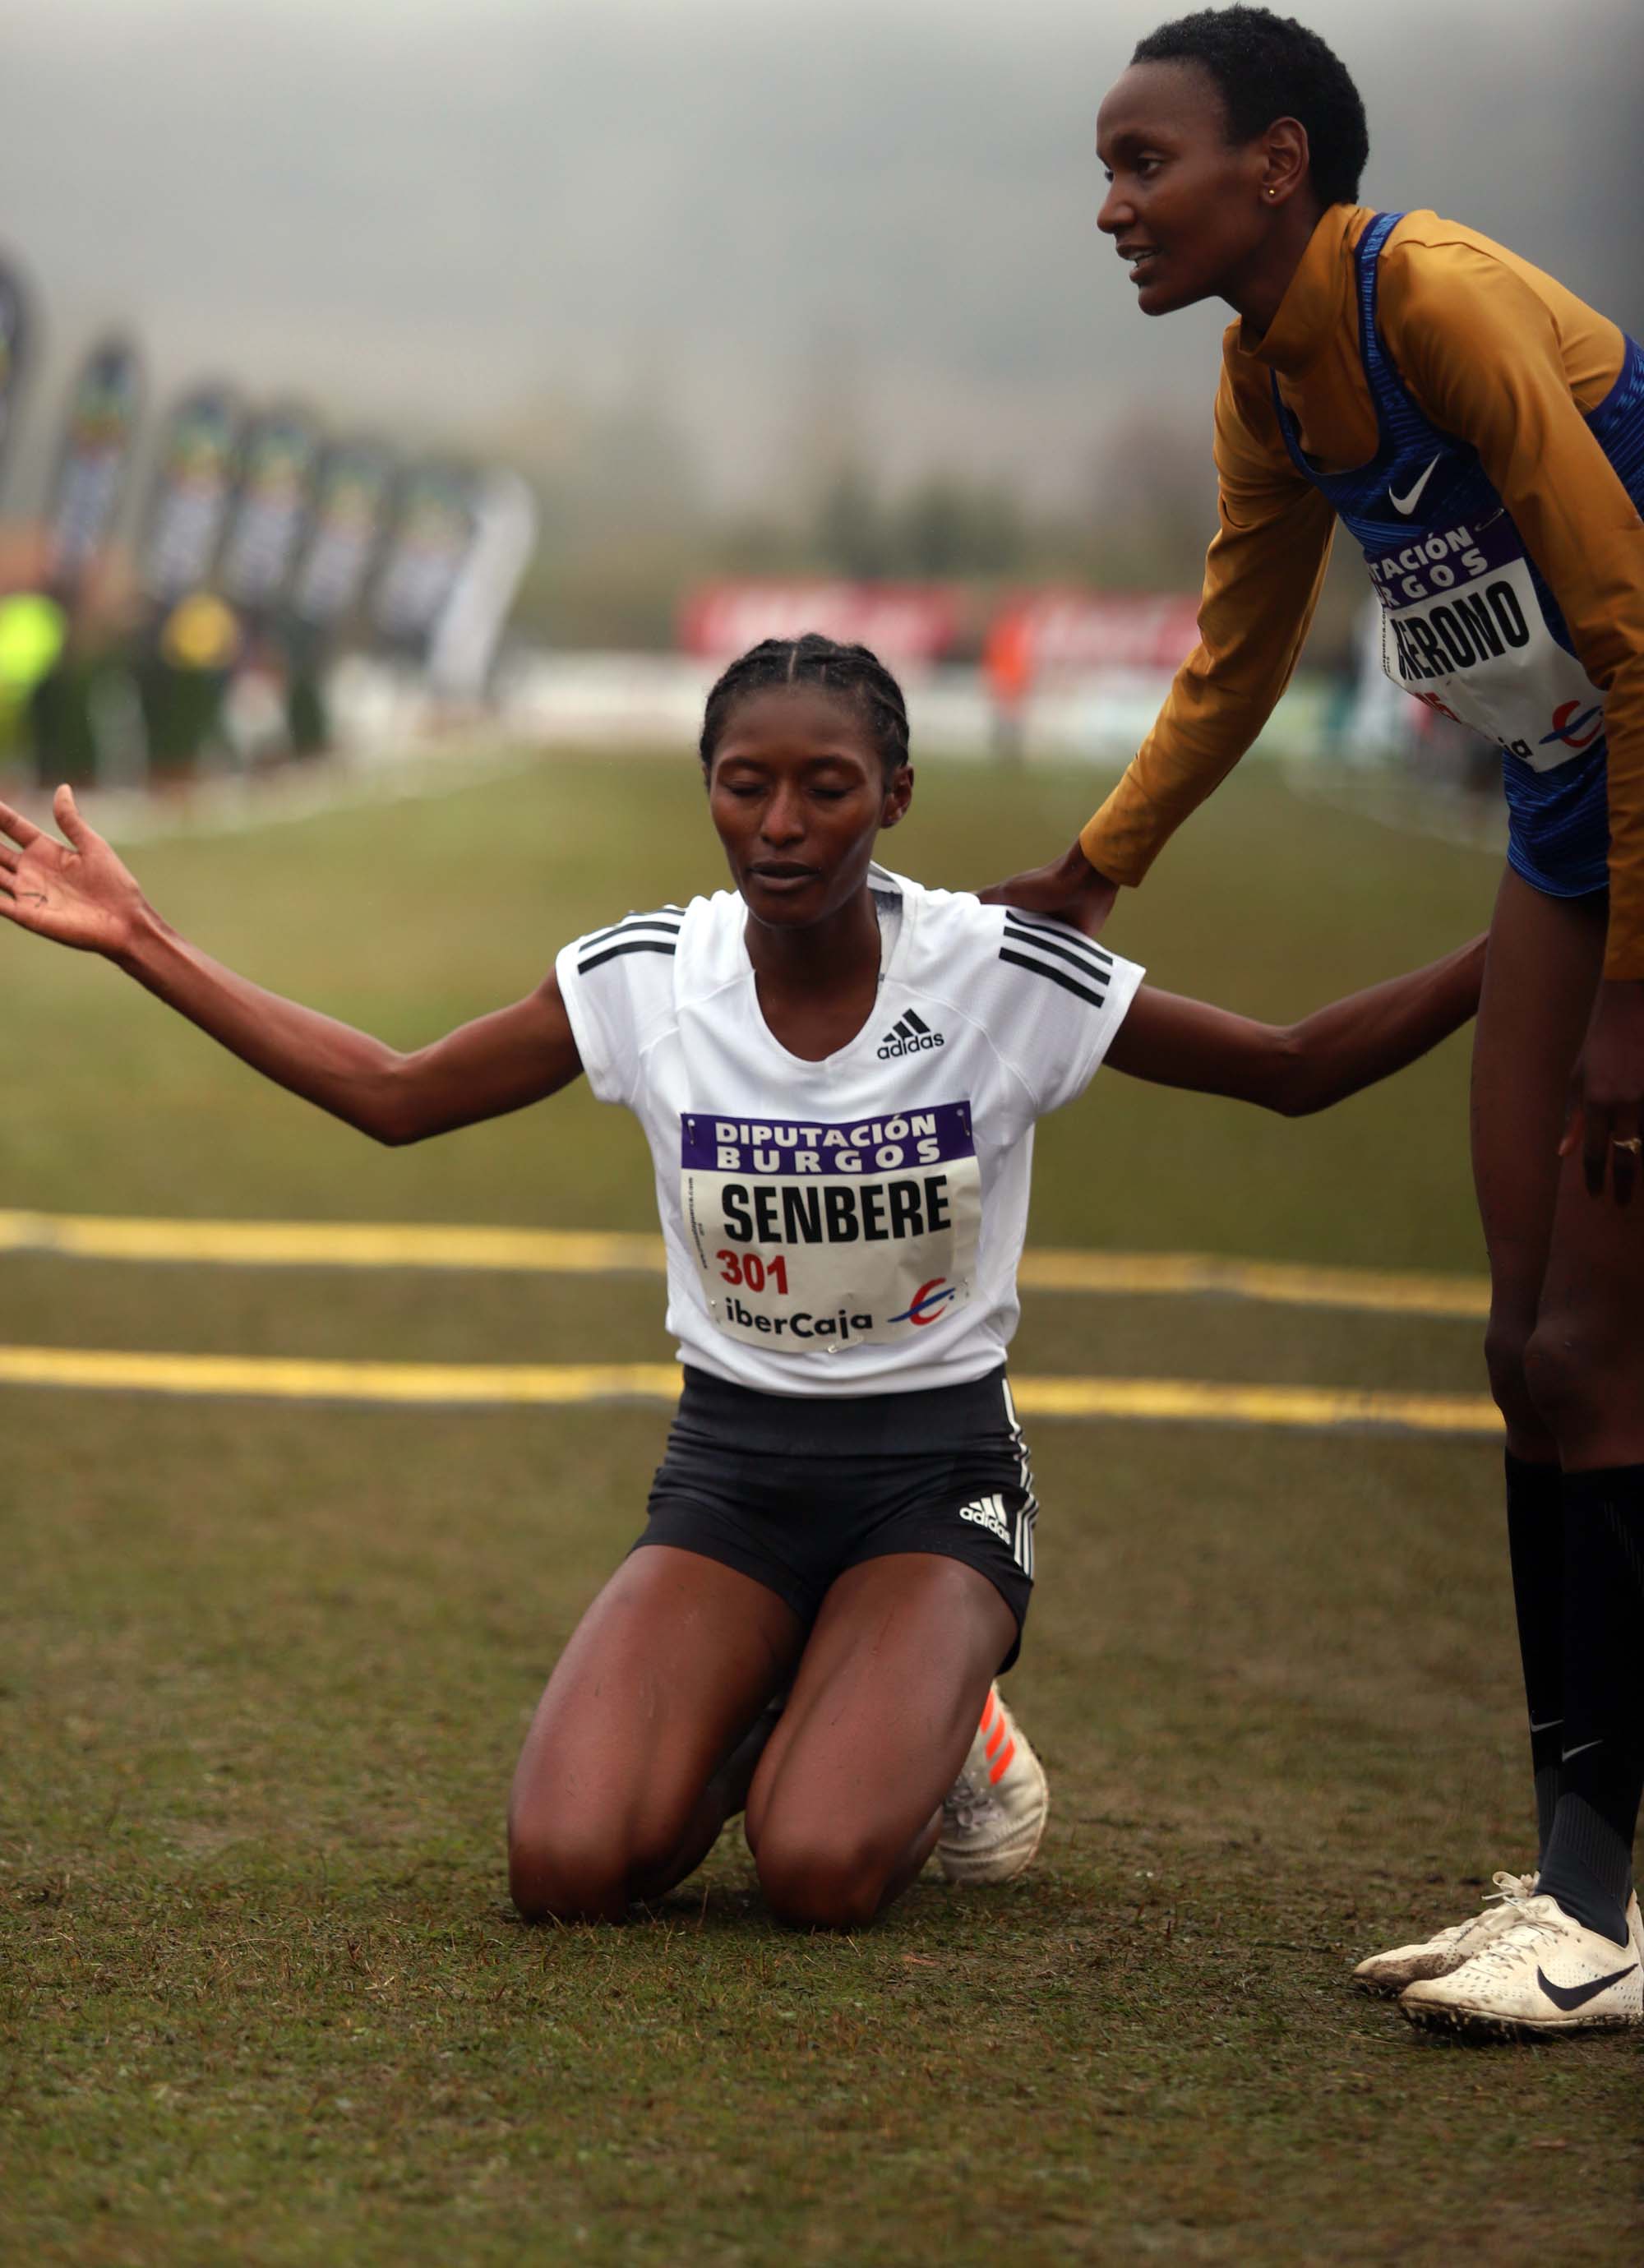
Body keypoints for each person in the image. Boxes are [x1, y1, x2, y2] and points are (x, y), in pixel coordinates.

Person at [0, 633, 1483, 1931]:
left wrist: (1538, 922)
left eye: (826, 786)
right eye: (743, 783)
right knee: (566, 1870)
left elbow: (1296, 1074)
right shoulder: (650, 975)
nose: (780, 825)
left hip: (934, 1485)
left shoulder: (995, 972)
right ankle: (798, 1690)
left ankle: (948, 1720)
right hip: (730, 1480)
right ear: (707, 788)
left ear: (894, 795)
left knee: (818, 1874)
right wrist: (143, 940)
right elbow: (395, 1094)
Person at [986, 4, 1644, 2037]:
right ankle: (1568, 1873)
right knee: (1516, 1346)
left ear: (1276, 162)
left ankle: (1604, 1921)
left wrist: (1628, 999)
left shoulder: (1428, 301)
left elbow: (1636, 635)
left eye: (1143, 162)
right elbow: (1234, 655)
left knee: (1595, 1349)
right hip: (1561, 818)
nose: (1111, 206)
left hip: (1639, 824)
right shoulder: (1262, 380)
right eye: (1104, 168)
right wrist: (1097, 865)